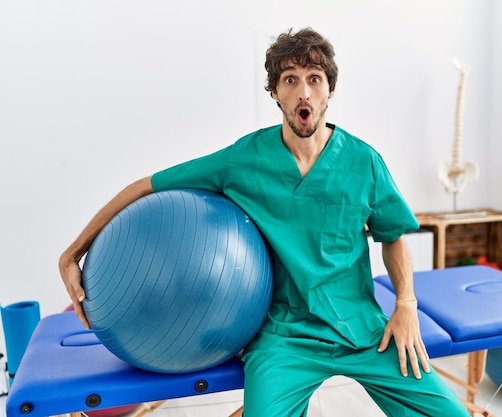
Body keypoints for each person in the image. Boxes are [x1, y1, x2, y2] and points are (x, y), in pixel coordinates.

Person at [59, 27, 469, 416]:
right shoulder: (243, 160)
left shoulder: (364, 161)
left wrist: (406, 305)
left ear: (330, 90)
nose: (303, 91)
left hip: (362, 329)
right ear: (275, 92)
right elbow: (145, 186)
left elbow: (392, 234)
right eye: (290, 80)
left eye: (314, 78)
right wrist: (73, 253)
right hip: (284, 338)